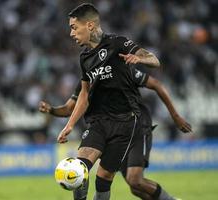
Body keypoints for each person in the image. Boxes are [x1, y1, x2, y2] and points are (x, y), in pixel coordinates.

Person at [55, 3, 192, 200]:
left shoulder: (117, 43)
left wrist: (140, 60)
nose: (71, 33)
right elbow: (84, 94)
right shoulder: (85, 58)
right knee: (79, 168)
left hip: (126, 124)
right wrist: (69, 125)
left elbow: (154, 59)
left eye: (74, 27)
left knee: (103, 180)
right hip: (98, 122)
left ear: (91, 26)